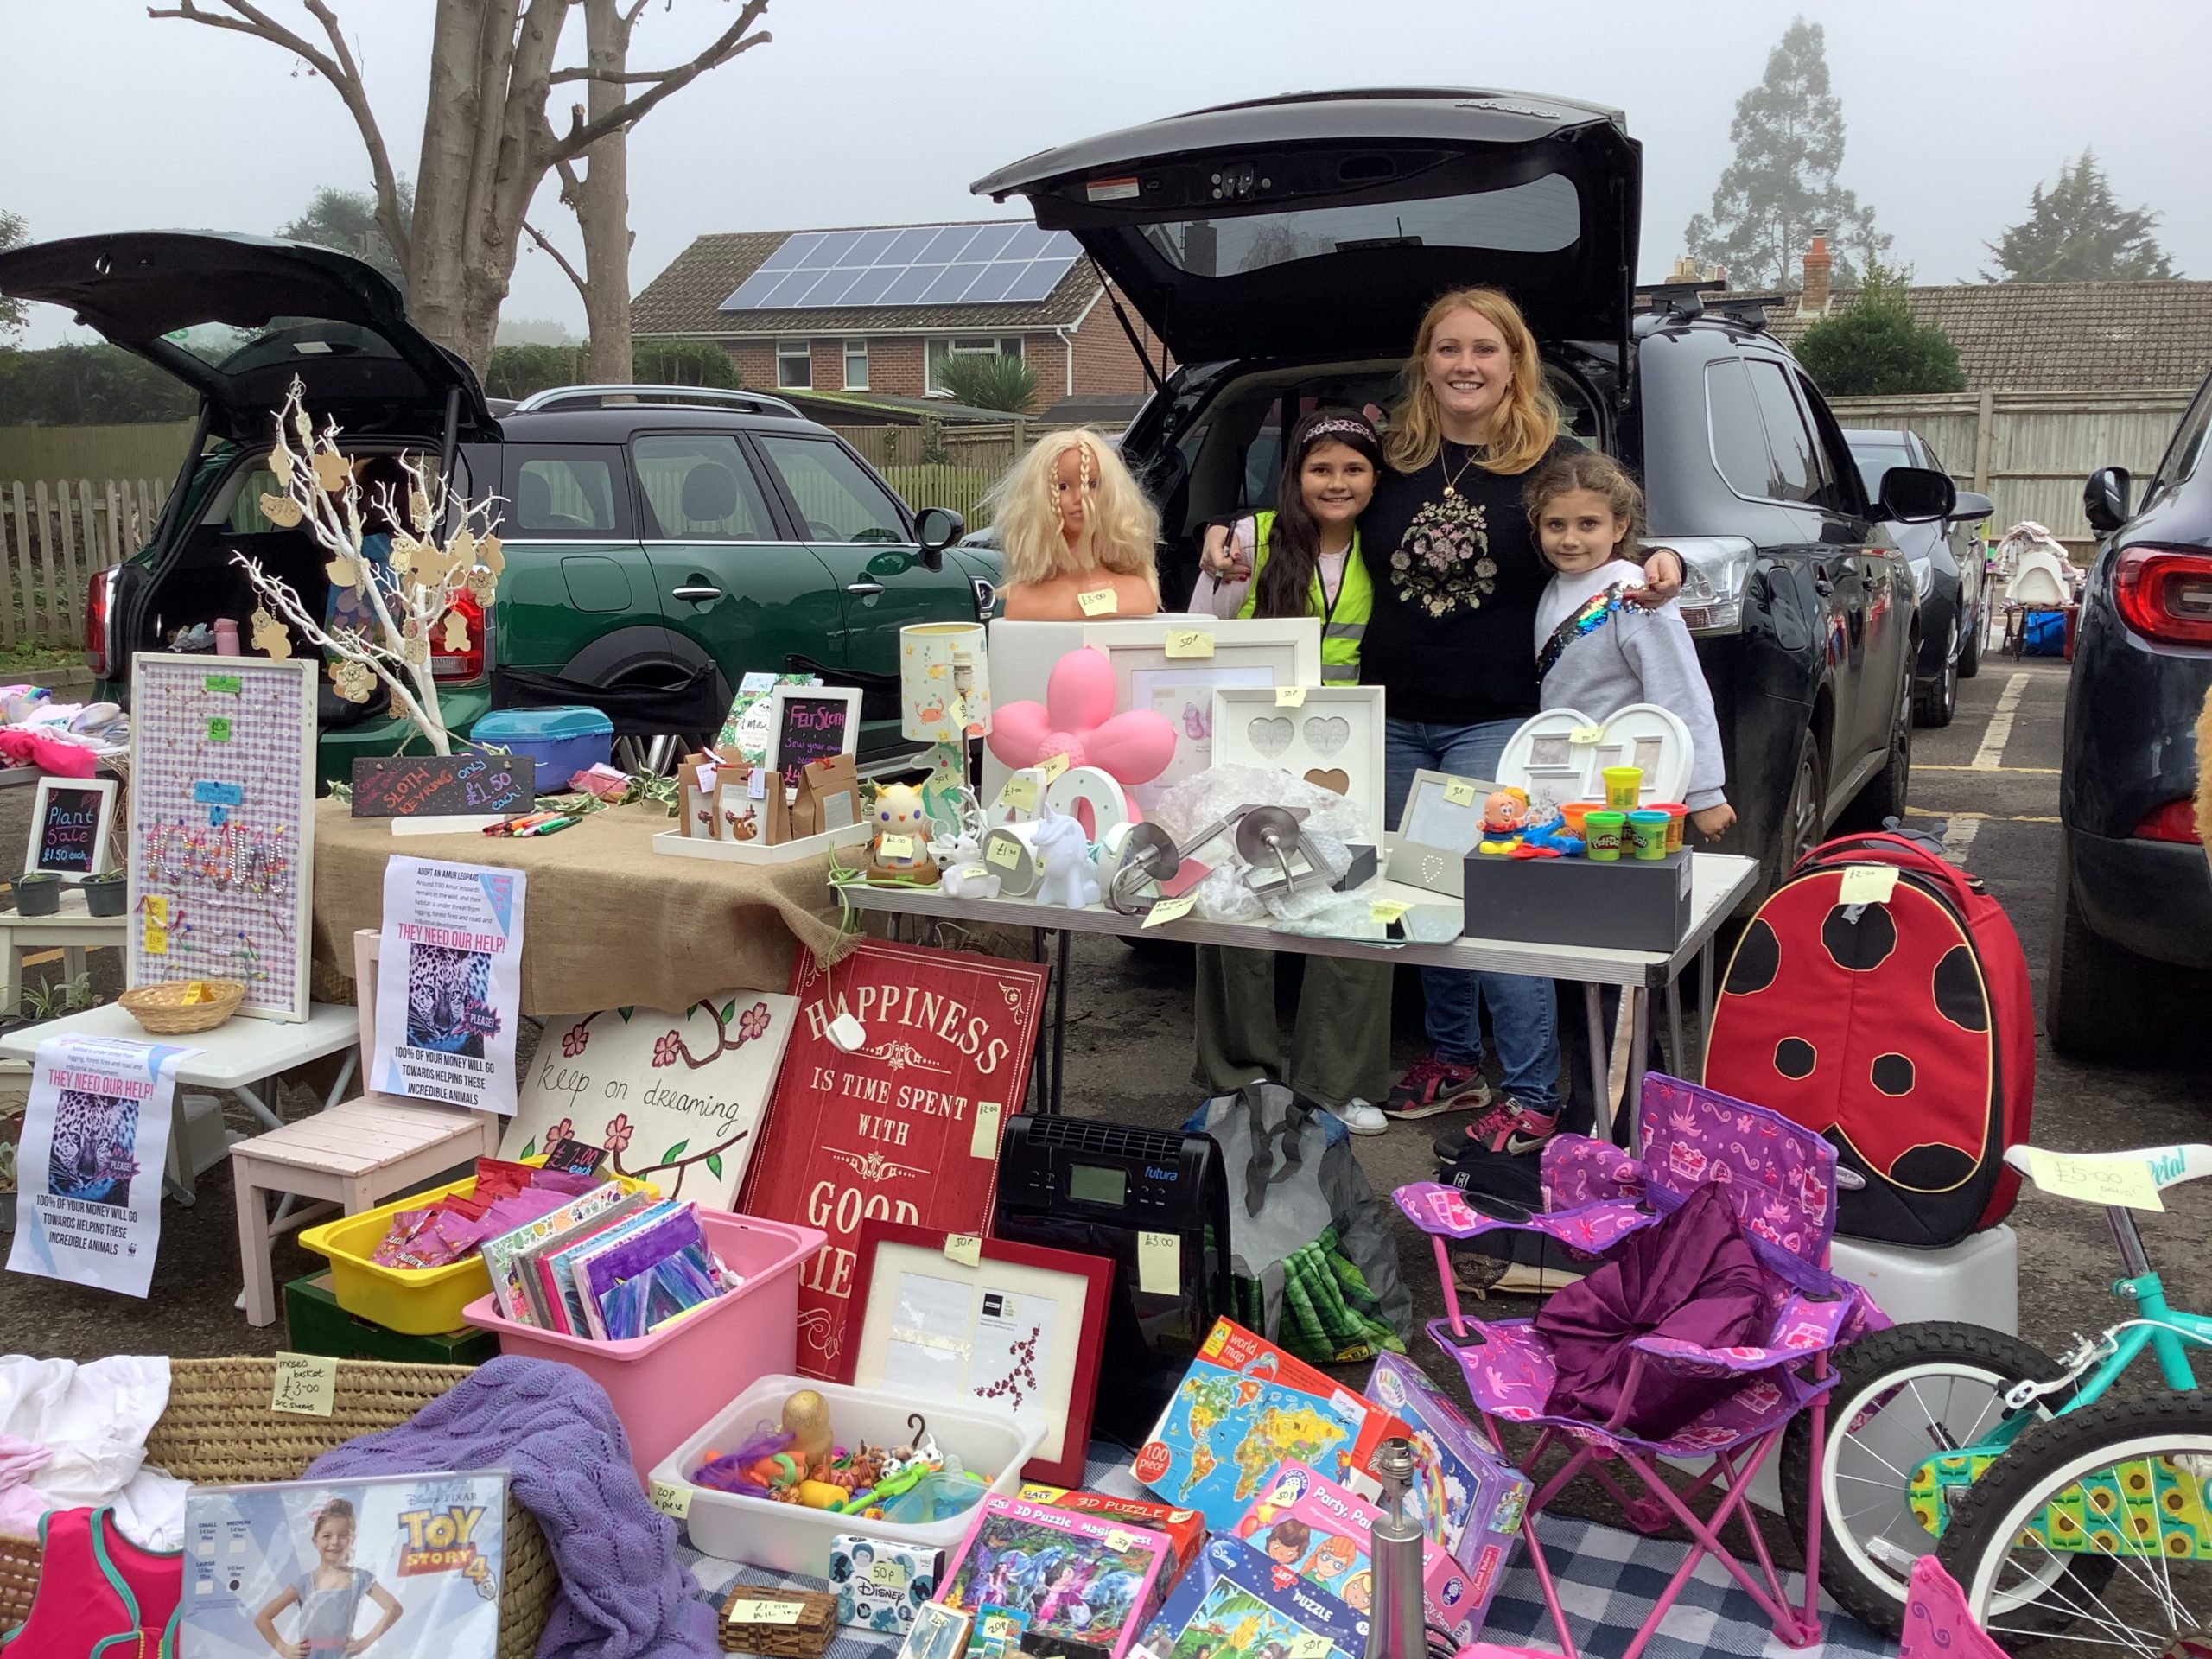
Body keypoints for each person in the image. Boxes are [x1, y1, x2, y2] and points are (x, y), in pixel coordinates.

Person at [1205, 289, 1684, 1142]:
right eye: (1448, 348)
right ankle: (1455, 1064)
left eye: (1485, 350)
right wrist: (1229, 534)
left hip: (1494, 719)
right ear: (1425, 361)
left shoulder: (1553, 458)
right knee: (1419, 898)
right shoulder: (1392, 454)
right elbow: (1317, 503)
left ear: (1514, 363)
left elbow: (1601, 538)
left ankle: (1533, 1092)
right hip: (1389, 717)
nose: (1466, 365)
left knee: (1495, 902)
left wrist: (1663, 557)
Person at [1187, 410, 1395, 1134]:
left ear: (1376, 476)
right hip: (1257, 747)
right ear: (1295, 474)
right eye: (1320, 468)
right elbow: (1201, 638)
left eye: (1354, 469)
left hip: (1354, 754)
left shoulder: (1392, 542)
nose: (1336, 484)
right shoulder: (1248, 540)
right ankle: (1238, 1074)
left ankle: (1337, 1082)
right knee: (1241, 900)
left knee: (1354, 905)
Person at [1527, 449, 1734, 842]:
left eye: (1589, 524)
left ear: (1619, 526)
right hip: (1566, 780)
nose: (1570, 539)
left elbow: (1680, 690)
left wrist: (1704, 793)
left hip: (1631, 784)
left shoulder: (1635, 594)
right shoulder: (1553, 588)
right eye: (1556, 525)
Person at [990, 429, 1160, 620]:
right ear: (1037, 498)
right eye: (1062, 486)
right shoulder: (1023, 598)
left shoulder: (1137, 592)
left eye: (1092, 484)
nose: (1080, 498)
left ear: (1113, 493)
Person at [255, 1497, 403, 1657]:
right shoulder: (304, 1583)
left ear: (352, 1539)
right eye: (327, 1536)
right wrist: (284, 1649)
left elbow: (394, 1608)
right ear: (315, 1541)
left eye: (343, 1535)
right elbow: (263, 1618)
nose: (335, 1542)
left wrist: (363, 1644)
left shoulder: (359, 1579)